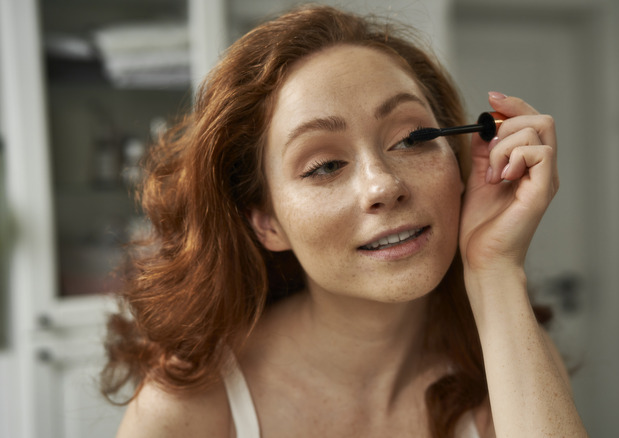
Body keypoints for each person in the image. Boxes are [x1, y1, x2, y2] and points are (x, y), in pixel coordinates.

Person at [101, 5, 587, 437]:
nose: (383, 185)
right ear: (266, 222)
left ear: (458, 163)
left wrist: (494, 269)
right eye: (325, 166)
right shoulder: (188, 409)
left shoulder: (510, 365)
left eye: (415, 139)